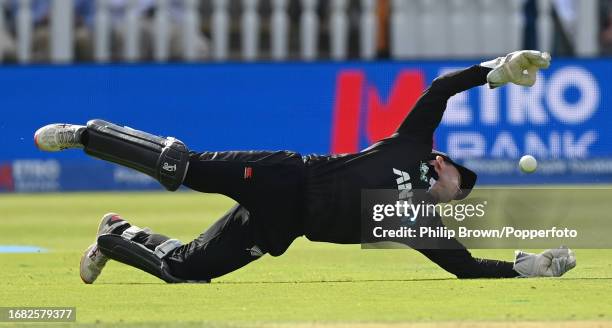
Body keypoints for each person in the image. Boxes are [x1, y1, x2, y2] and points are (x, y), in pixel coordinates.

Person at [34, 50, 576, 284]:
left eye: (458, 200)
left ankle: (116, 236)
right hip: (285, 175)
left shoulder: (418, 226)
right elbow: (440, 89)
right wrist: (496, 71)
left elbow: (463, 267)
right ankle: (87, 134)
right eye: (459, 185)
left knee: (186, 270)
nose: (454, 196)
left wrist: (525, 268)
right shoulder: (412, 146)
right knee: (181, 167)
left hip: (280, 226)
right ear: (441, 163)